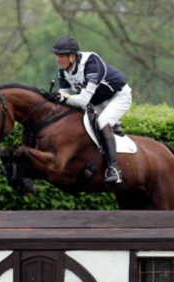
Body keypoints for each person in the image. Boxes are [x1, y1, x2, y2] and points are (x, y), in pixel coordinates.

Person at [45, 36, 132, 184]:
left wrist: (60, 97)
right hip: (96, 102)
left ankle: (114, 169)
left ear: (72, 56)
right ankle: (114, 126)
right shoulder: (63, 71)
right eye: (57, 56)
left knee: (102, 122)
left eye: (61, 56)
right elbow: (65, 100)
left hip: (117, 97)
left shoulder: (91, 63)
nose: (58, 59)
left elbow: (81, 99)